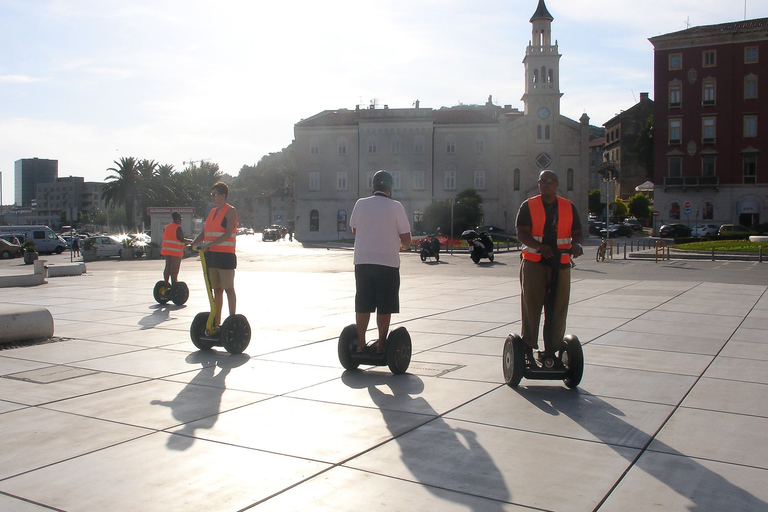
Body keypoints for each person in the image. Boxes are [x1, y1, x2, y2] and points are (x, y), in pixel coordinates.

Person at [515, 169, 584, 366]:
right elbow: (522, 233)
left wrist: (577, 245)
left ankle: (553, 350)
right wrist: (540, 247)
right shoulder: (528, 206)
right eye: (542, 181)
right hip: (534, 262)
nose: (545, 184)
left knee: (558, 308)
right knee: (532, 306)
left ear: (556, 184)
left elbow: (577, 232)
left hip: (561, 264)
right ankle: (527, 347)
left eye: (549, 181)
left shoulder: (568, 207)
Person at [349, 170, 412, 354]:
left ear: (373, 186)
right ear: (390, 188)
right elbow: (406, 239)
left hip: (363, 262)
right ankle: (382, 345)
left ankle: (360, 344)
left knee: (363, 302)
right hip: (387, 263)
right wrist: (402, 247)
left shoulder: (360, 204)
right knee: (385, 304)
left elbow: (354, 229)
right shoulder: (396, 207)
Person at [190, 181, 238, 329]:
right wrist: (193, 243)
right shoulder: (212, 212)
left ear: (223, 196)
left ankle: (232, 320)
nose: (212, 197)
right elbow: (205, 232)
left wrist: (210, 244)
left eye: (215, 194)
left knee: (228, 288)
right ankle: (216, 321)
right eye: (211, 194)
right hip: (211, 256)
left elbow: (228, 233)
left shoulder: (231, 211)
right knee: (216, 289)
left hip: (225, 256)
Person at [161, 212, 190, 285]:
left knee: (167, 266)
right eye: (180, 219)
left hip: (167, 251)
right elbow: (181, 239)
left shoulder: (167, 227)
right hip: (175, 252)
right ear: (177, 219)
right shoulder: (178, 227)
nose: (181, 220)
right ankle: (174, 283)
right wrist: (191, 241)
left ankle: (166, 282)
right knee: (174, 268)